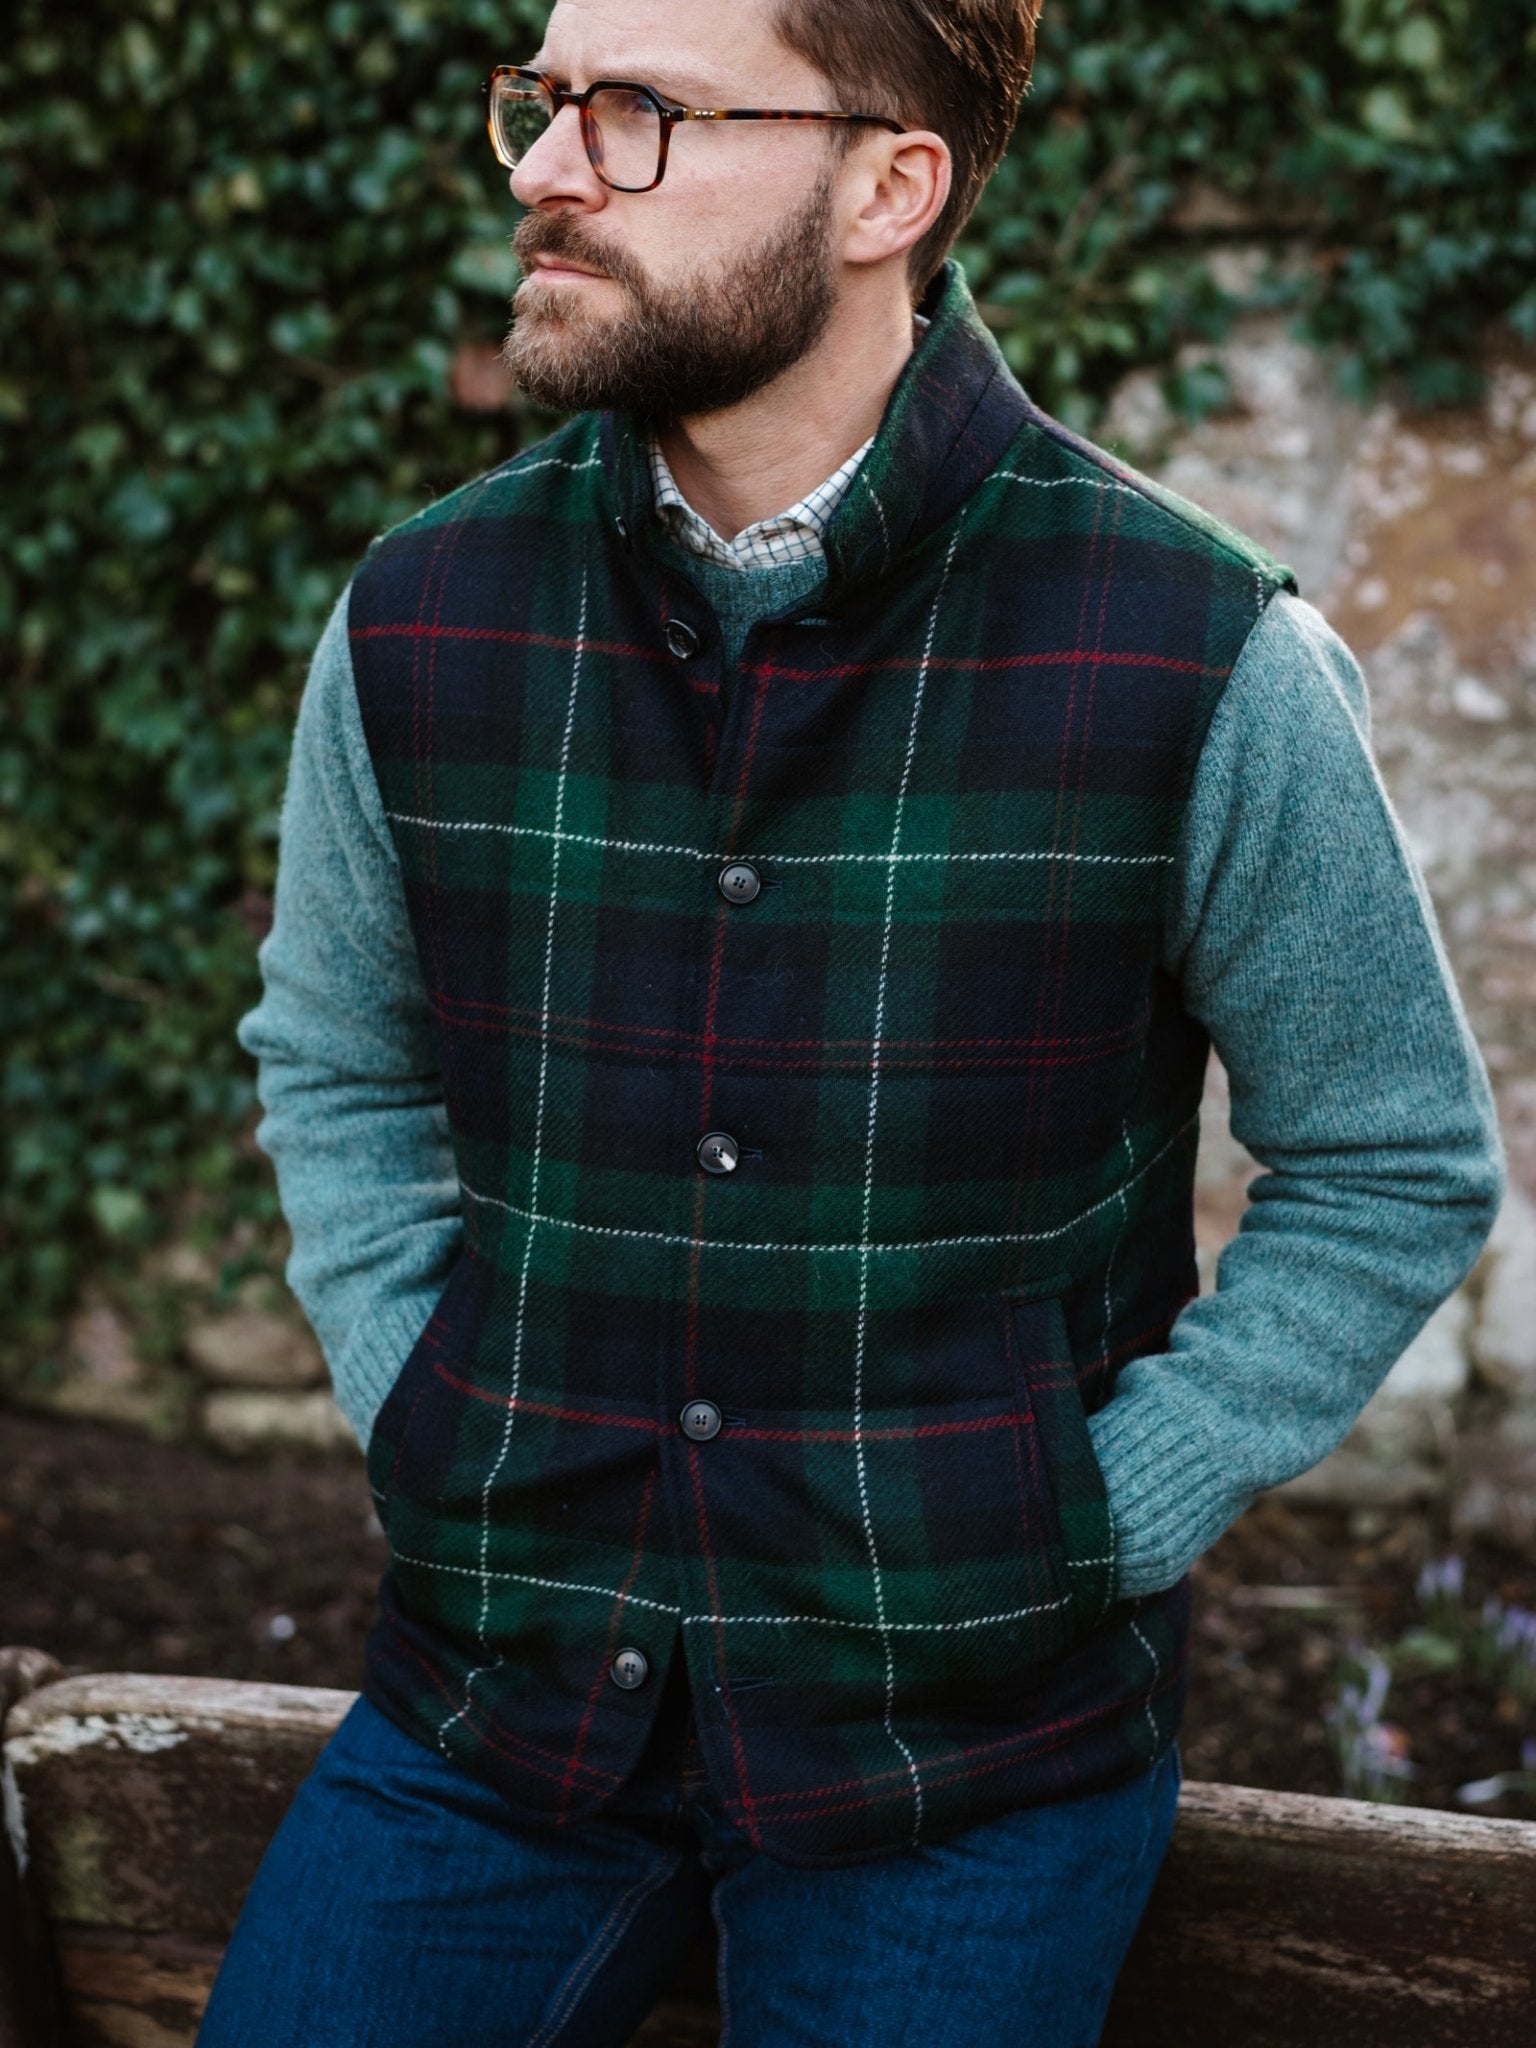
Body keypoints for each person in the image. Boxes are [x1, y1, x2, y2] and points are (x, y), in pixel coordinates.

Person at [198, 0, 1506, 2042]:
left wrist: (1097, 1512)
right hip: (501, 1691)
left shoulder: (1195, 649)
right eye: (542, 104)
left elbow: (1391, 1161)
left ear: (891, 184)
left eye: (634, 113)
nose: (543, 167)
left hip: (965, 1752)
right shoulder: (421, 615)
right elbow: (337, 1060)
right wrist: (418, 1395)